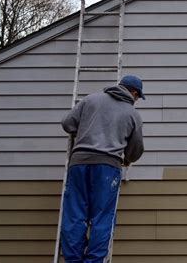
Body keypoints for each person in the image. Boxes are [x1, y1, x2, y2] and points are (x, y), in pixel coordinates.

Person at [60, 75, 145, 263]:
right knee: (102, 218)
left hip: (79, 164)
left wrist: (85, 132)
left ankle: (73, 260)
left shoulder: (90, 99)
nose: (136, 101)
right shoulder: (132, 114)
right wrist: (128, 159)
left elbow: (67, 124)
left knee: (75, 214)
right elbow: (136, 150)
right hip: (107, 168)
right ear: (134, 92)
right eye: (138, 97)